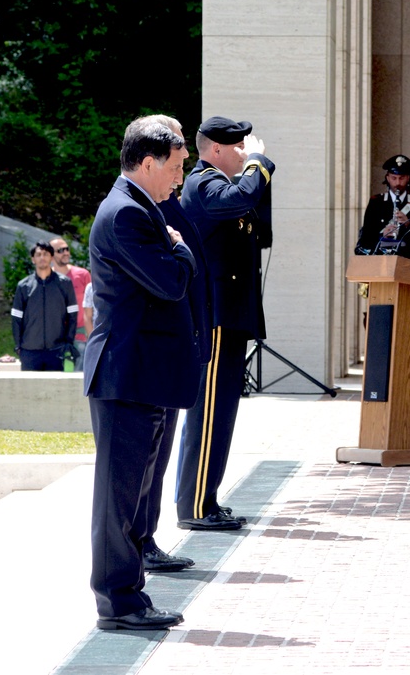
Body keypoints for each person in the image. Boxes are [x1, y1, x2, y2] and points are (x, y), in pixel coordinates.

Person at [83, 115, 203, 630]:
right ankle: (118, 603)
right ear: (148, 162)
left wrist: (173, 243)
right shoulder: (126, 214)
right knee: (119, 499)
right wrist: (177, 246)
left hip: (139, 375)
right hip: (125, 374)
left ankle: (130, 597)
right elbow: (171, 281)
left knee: (133, 495)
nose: (180, 179)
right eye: (176, 168)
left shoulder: (139, 207)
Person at [174, 115, 273, 532]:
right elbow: (242, 196)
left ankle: (207, 499)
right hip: (214, 318)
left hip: (231, 316)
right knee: (208, 413)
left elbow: (261, 229)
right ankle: (194, 506)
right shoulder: (203, 184)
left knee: (223, 413)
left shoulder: (225, 187)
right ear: (216, 149)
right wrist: (260, 164)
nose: (243, 153)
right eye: (237, 148)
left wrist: (255, 173)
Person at [355, 154, 410, 269]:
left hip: (407, 266)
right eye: (394, 178)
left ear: (408, 178)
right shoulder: (376, 203)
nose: (397, 183)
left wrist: (409, 224)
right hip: (382, 266)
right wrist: (382, 235)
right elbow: (365, 240)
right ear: (387, 178)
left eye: (401, 178)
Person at [10, 241, 78, 371]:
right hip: (29, 351)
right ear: (33, 259)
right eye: (39, 254)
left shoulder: (65, 284)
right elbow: (16, 318)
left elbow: (72, 315)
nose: (42, 257)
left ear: (51, 258)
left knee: (55, 391)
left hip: (57, 350)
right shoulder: (23, 286)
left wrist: (68, 342)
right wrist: (19, 345)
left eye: (46, 254)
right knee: (29, 391)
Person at [50, 237, 92, 371]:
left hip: (80, 337)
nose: (66, 253)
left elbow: (93, 305)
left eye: (67, 249)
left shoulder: (82, 274)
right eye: (60, 250)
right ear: (51, 255)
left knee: (80, 381)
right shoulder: (47, 278)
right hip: (56, 339)